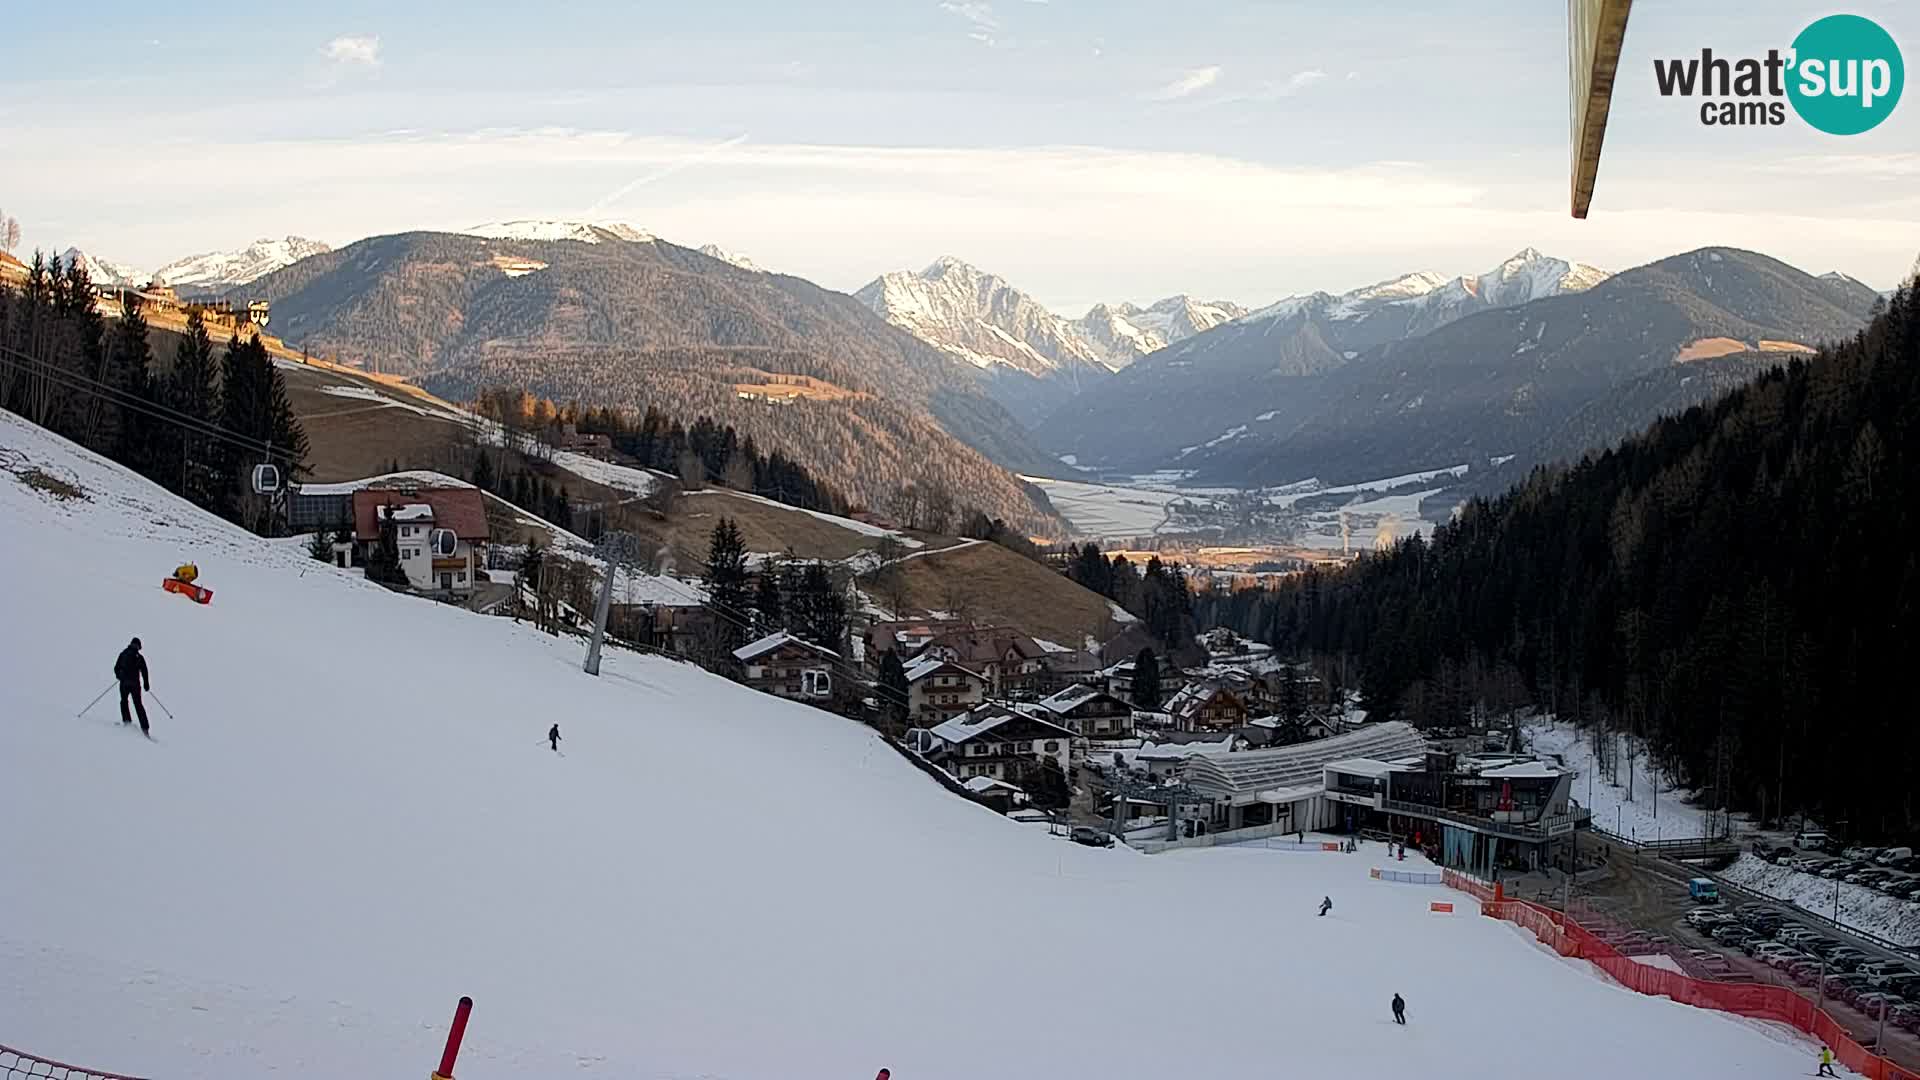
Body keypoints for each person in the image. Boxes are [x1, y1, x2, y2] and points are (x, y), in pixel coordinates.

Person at [113, 637, 150, 734]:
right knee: (138, 705)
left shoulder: (123, 654)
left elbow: (116, 668)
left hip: (124, 683)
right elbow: (144, 671)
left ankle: (127, 722)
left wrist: (119, 675)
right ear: (138, 646)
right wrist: (146, 683)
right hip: (135, 685)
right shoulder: (139, 657)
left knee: (124, 701)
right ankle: (145, 728)